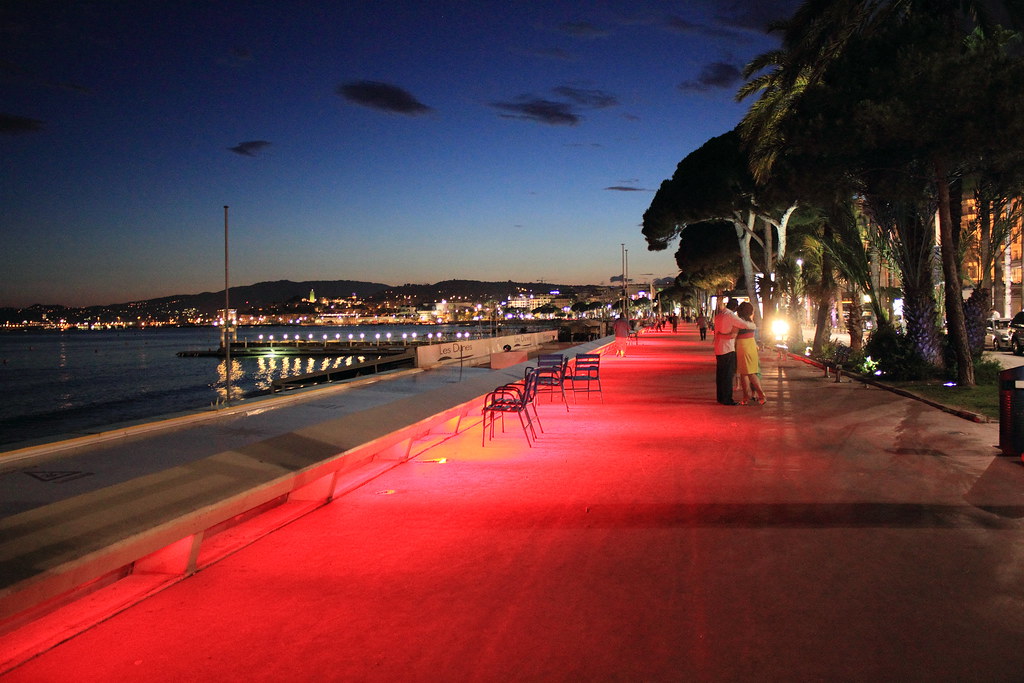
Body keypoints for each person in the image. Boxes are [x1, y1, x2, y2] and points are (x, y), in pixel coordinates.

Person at [713, 298, 755, 405]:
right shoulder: (731, 316)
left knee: (720, 375)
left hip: (718, 348)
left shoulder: (719, 315)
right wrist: (754, 326)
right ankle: (727, 399)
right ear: (735, 307)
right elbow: (745, 325)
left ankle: (720, 397)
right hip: (728, 349)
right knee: (727, 375)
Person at [735, 301, 766, 405]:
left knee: (749, 373)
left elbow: (733, 334)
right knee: (746, 372)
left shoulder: (740, 323)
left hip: (743, 347)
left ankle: (759, 395)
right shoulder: (750, 323)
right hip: (749, 346)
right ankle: (747, 396)